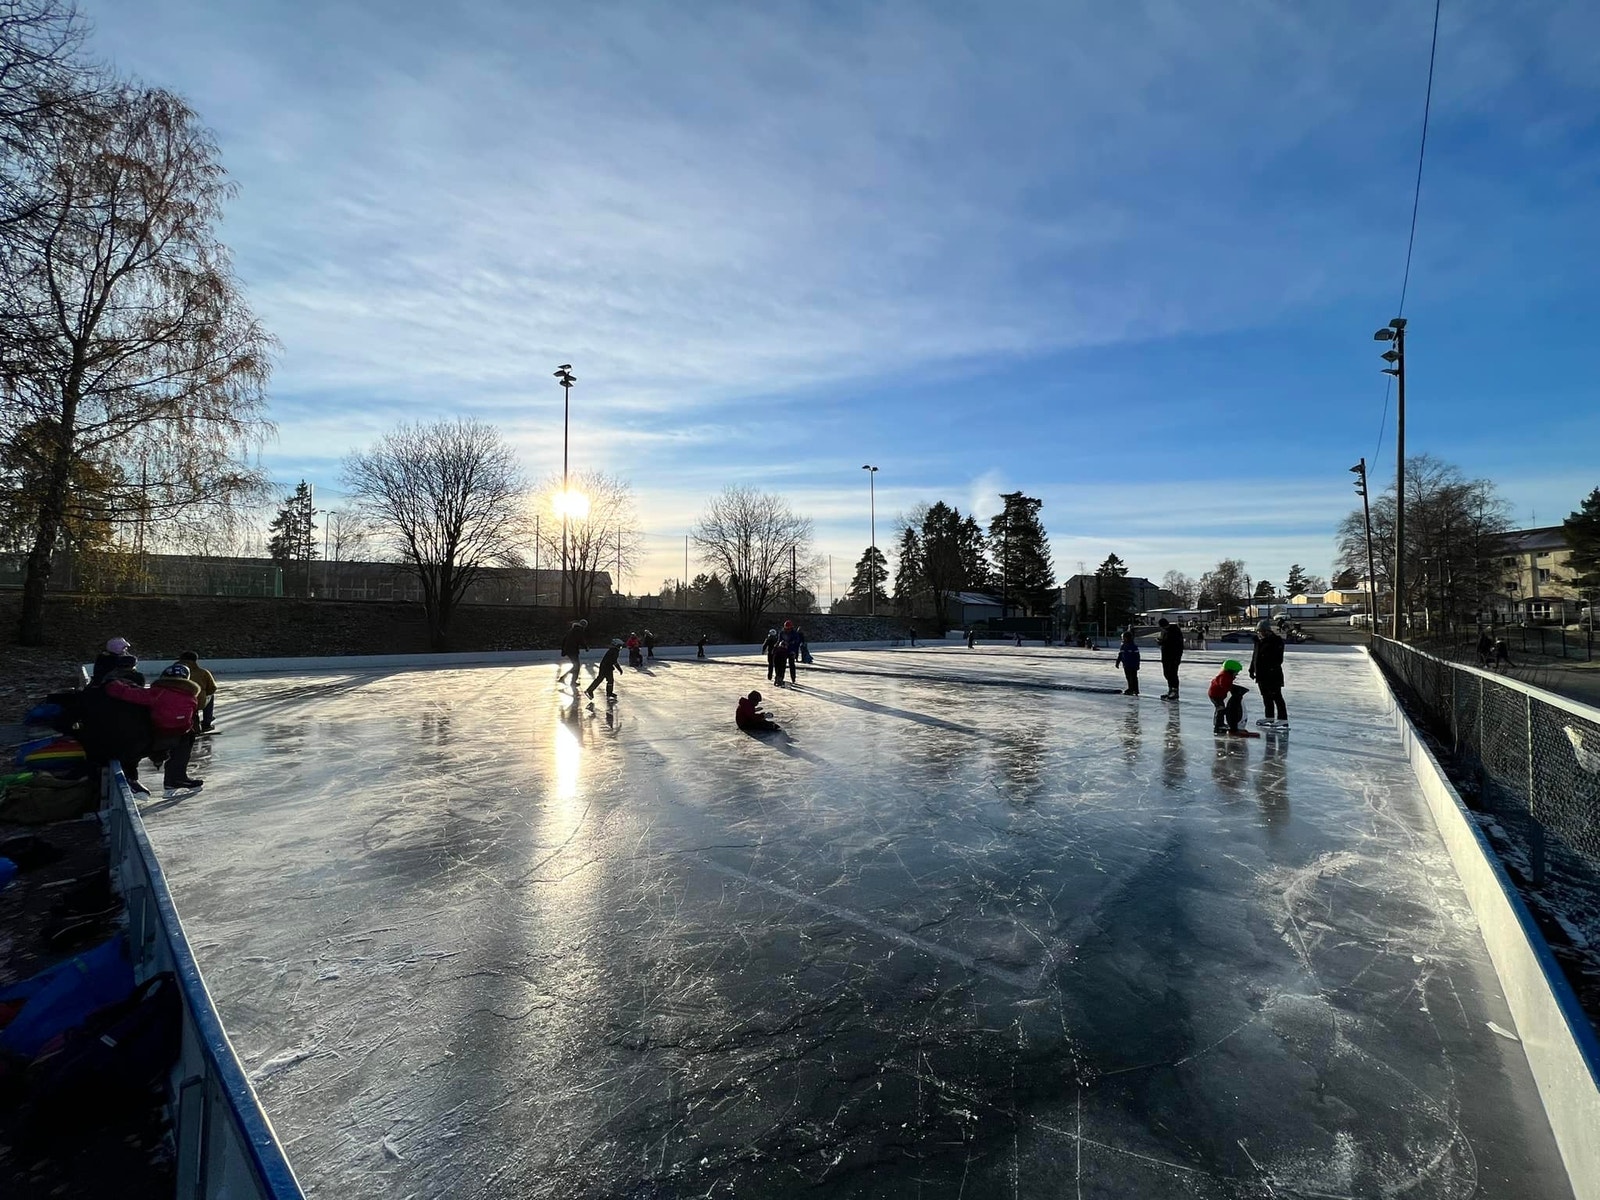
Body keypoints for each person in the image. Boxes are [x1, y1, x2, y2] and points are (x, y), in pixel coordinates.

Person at [1249, 620, 1288, 730]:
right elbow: (1255, 656)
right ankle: (1269, 717)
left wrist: (1269, 668)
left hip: (1273, 674)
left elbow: (1278, 659)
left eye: (1262, 631)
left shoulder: (1276, 641)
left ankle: (1283, 719)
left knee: (1276, 696)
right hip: (1261, 675)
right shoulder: (1258, 641)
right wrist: (1252, 669)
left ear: (1268, 631)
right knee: (1266, 697)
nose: (1260, 633)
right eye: (1259, 631)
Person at [1207, 659, 1258, 737]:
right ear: (1231, 670)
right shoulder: (1224, 676)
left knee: (1221, 708)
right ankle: (1218, 725)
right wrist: (1232, 688)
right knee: (1220, 708)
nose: (1237, 674)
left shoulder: (1227, 675)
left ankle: (1220, 724)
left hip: (1218, 695)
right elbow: (1224, 684)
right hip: (1215, 695)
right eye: (1236, 672)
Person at [176, 651, 218, 731]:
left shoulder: (172, 671)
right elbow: (212, 688)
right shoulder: (203, 672)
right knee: (210, 696)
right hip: (197, 702)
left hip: (175, 701)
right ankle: (207, 722)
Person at [586, 638, 623, 704]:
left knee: (610, 680)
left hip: (607, 667)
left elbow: (613, 661)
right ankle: (589, 690)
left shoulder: (613, 650)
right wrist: (619, 669)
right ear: (616, 645)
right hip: (606, 667)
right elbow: (614, 661)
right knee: (600, 679)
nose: (621, 647)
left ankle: (609, 693)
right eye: (619, 645)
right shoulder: (614, 651)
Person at [1156, 617, 1184, 701]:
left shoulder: (1174, 631)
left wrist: (1161, 642)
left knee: (1173, 674)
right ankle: (1170, 690)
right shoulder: (1164, 631)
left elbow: (1174, 644)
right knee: (1167, 673)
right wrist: (1160, 641)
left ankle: (1175, 691)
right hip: (1166, 656)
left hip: (1174, 656)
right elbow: (1164, 642)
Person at [558, 619, 588, 687]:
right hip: (572, 650)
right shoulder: (578, 630)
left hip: (569, 650)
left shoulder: (572, 630)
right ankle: (573, 682)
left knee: (575, 666)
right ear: (584, 626)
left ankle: (564, 678)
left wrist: (563, 650)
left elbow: (564, 639)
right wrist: (586, 647)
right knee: (576, 666)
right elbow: (581, 640)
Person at [1115, 630, 1140, 695]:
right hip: (1126, 664)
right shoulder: (1123, 646)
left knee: (1133, 677)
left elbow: (1137, 656)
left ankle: (1135, 689)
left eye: (1123, 637)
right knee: (1128, 677)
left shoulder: (1133, 646)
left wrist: (1137, 664)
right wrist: (1117, 662)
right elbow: (1120, 655)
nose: (1122, 639)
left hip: (1133, 665)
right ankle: (1131, 688)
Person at [780, 620, 804, 684]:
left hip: (791, 650)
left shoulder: (794, 633)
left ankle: (793, 678)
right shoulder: (782, 633)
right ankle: (781, 677)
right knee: (782, 664)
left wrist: (794, 650)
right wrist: (781, 644)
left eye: (789, 628)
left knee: (792, 664)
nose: (787, 630)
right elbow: (779, 640)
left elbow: (797, 642)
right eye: (786, 628)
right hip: (784, 650)